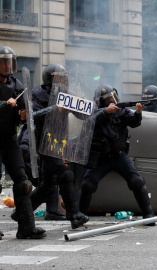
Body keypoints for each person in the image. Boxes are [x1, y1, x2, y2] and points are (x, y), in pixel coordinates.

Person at [12, 64, 89, 229]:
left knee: (47, 186)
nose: (63, 81)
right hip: (44, 143)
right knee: (65, 174)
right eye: (59, 78)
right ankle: (74, 215)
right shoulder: (37, 94)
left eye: (64, 78)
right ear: (50, 79)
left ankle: (21, 212)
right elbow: (33, 116)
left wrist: (87, 106)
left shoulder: (66, 95)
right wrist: (54, 109)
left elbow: (84, 115)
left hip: (60, 143)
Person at [79, 84, 155, 224]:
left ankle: (148, 214)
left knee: (136, 181)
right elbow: (89, 123)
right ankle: (80, 217)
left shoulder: (122, 110)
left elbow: (134, 123)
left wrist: (138, 112)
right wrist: (105, 112)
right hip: (100, 158)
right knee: (87, 185)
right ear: (101, 101)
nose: (112, 100)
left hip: (119, 156)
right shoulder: (94, 111)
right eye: (108, 99)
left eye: (113, 96)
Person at [0, 46, 46, 239]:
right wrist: (4, 105)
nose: (6, 65)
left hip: (10, 139)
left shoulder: (17, 84)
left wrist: (23, 115)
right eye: (3, 62)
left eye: (9, 61)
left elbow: (22, 114)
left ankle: (26, 227)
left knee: (22, 182)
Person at [17, 124, 66, 220]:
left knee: (51, 179)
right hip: (29, 156)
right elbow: (30, 128)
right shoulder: (38, 118)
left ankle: (52, 210)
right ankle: (23, 211)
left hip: (39, 152)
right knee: (47, 184)